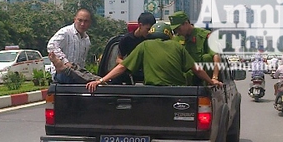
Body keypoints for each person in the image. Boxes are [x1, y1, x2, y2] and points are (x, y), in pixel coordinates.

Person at [86, 21, 223, 93]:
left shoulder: (145, 45)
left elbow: (122, 66)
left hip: (152, 92)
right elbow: (197, 69)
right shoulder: (177, 47)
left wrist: (100, 80)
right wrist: (212, 82)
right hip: (179, 93)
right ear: (169, 34)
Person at [47, 8, 100, 83]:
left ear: (90, 23)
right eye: (80, 20)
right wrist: (65, 62)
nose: (82, 24)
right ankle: (61, 67)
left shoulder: (86, 39)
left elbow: (82, 61)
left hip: (77, 73)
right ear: (75, 20)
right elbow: (51, 46)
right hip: (62, 74)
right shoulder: (65, 32)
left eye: (86, 21)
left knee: (97, 80)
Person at [169, 11, 222, 82]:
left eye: (179, 29)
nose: (178, 32)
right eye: (175, 30)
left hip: (204, 79)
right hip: (186, 80)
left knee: (207, 57)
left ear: (186, 23)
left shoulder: (204, 36)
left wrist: (215, 78)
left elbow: (216, 56)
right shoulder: (177, 39)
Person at [111, 12, 156, 85]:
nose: (149, 32)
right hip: (131, 71)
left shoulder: (152, 39)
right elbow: (118, 59)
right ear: (140, 25)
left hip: (147, 71)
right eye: (148, 29)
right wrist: (129, 65)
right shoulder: (126, 39)